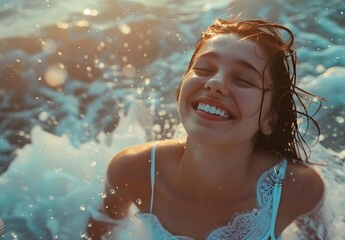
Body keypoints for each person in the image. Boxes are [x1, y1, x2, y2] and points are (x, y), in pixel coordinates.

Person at [87, 17, 324, 240]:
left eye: (243, 79)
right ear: (181, 90)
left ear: (269, 120)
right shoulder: (133, 171)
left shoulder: (297, 189)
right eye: (203, 69)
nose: (214, 83)